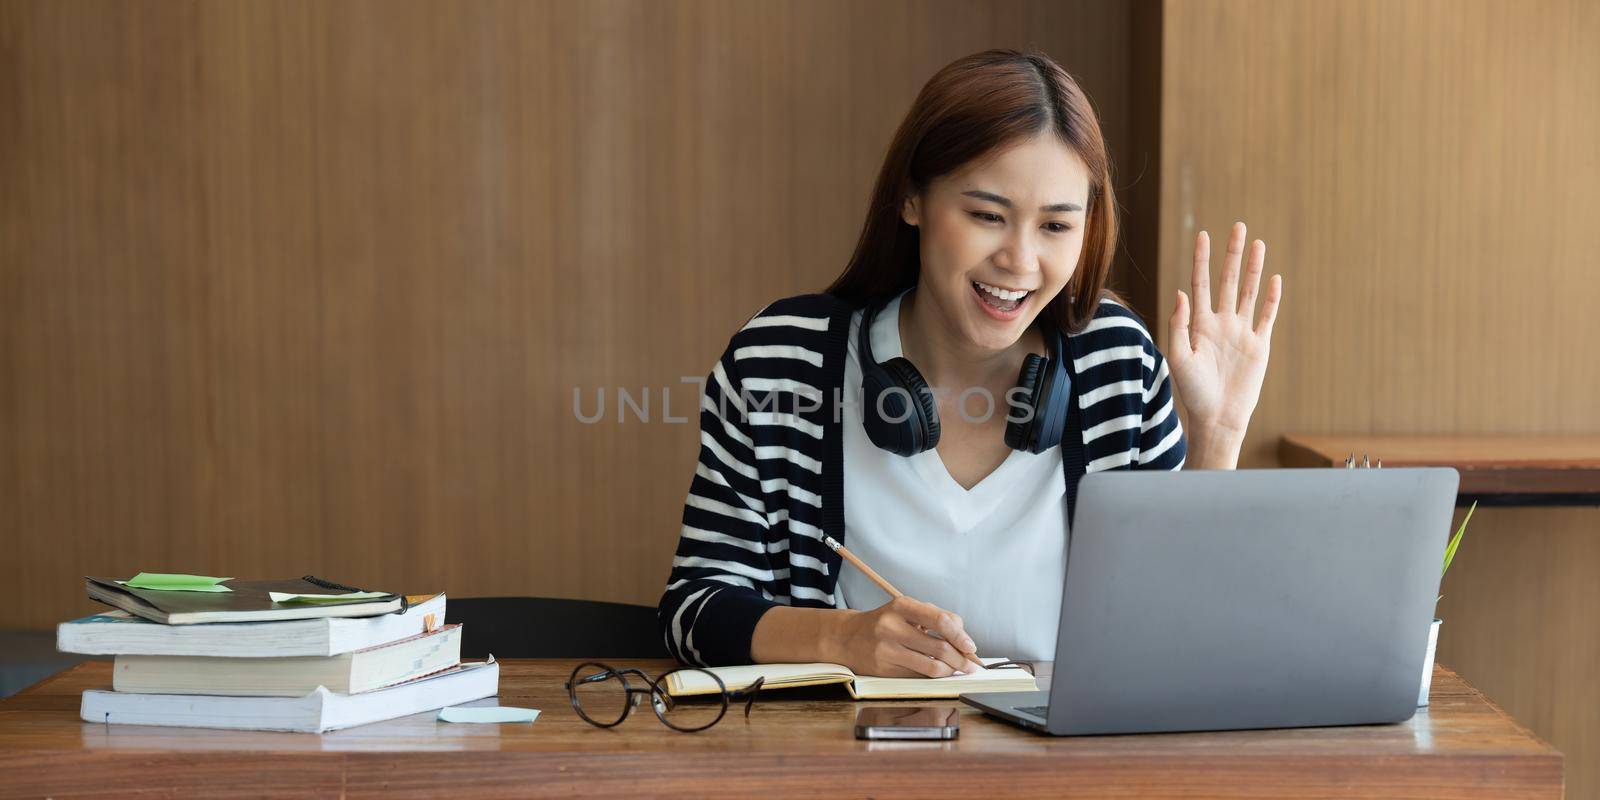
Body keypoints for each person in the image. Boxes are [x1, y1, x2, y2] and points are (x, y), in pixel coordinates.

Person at [658, 49, 1283, 678]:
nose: (1020, 260)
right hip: (843, 766)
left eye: (1056, 226)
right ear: (912, 200)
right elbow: (695, 610)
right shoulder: (782, 361)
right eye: (987, 216)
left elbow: (1182, 628)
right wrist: (843, 639)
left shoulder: (1113, 360)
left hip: (1066, 770)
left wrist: (1218, 436)